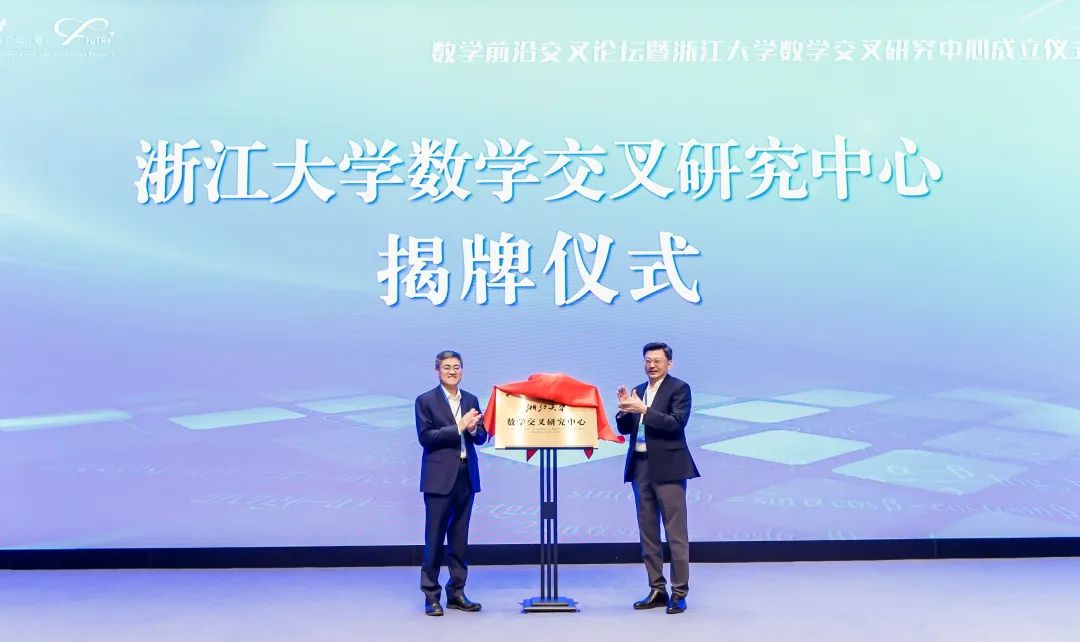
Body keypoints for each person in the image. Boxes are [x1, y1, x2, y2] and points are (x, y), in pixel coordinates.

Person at [616, 342, 700, 614]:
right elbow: (627, 428)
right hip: (640, 466)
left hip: (669, 468)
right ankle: (656, 589)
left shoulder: (679, 388)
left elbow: (676, 423)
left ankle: (679, 592)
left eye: (657, 361)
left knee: (675, 533)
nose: (651, 365)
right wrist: (624, 411)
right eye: (648, 360)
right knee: (648, 532)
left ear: (669, 364)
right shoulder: (639, 390)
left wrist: (643, 410)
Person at [415, 350, 487, 616]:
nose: (452, 372)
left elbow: (482, 437)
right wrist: (459, 426)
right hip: (438, 479)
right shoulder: (425, 400)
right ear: (437, 371)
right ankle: (431, 596)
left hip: (466, 476)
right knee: (434, 539)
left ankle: (457, 592)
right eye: (447, 367)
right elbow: (426, 437)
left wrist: (473, 429)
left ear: (462, 371)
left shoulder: (470, 399)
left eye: (456, 367)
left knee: (459, 540)